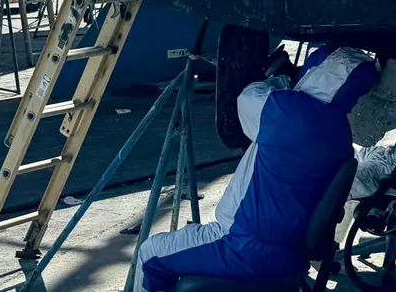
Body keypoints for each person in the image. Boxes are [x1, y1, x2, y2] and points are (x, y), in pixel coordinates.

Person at [135, 44, 381, 291]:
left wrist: (282, 80)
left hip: (241, 247)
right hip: (290, 257)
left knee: (151, 254)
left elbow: (248, 99)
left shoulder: (292, 112)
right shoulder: (341, 137)